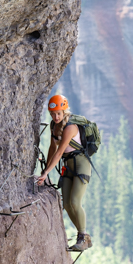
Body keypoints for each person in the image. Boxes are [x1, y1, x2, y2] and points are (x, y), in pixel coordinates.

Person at [36, 94, 93, 251]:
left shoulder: (70, 127)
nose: (55, 117)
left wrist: (47, 172)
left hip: (81, 165)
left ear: (64, 111)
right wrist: (44, 169)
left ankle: (83, 237)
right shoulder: (54, 127)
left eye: (59, 113)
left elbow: (59, 152)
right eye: (53, 114)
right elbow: (52, 148)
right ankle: (84, 237)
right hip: (68, 166)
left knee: (75, 202)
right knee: (67, 204)